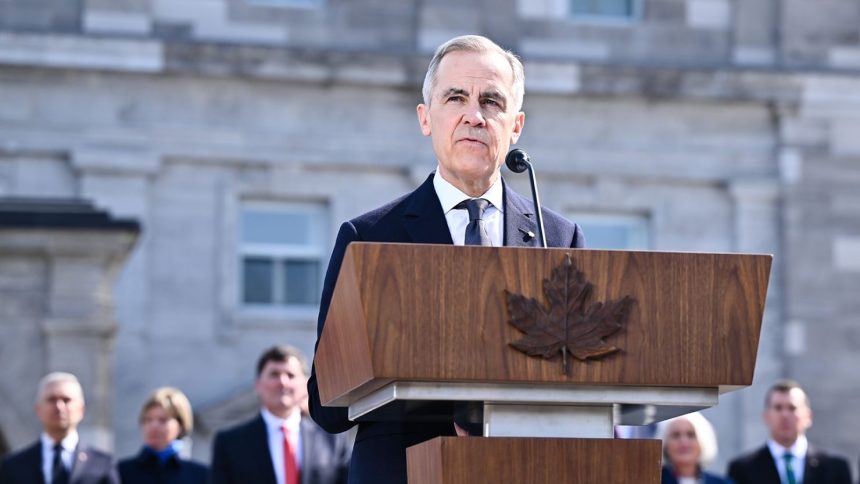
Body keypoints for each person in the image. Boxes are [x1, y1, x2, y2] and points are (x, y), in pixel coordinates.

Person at [306, 34, 586, 484]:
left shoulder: (559, 238)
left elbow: (583, 378)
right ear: (426, 118)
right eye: (456, 97)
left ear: (515, 126)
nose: (473, 115)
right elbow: (327, 402)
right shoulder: (371, 239)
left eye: (491, 101)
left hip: (527, 469)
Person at [210, 345, 350, 484]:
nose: (283, 382)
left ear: (304, 385)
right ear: (257, 385)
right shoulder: (230, 443)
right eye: (274, 374)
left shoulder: (333, 441)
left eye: (291, 375)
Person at [0, 372, 119, 484]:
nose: (59, 407)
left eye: (66, 400)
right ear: (38, 409)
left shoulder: (102, 464)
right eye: (51, 399)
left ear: (81, 409)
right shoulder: (14, 466)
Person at [727, 380, 851, 484]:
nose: (785, 415)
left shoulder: (835, 467)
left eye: (792, 408)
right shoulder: (743, 469)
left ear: (808, 417)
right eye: (778, 408)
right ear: (766, 416)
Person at [118, 387, 208, 484]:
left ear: (180, 425)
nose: (153, 426)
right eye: (148, 420)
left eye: (163, 420)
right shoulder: (122, 472)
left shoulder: (201, 475)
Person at [656, 412, 732, 484]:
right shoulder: (652, 481)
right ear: (665, 443)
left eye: (691, 435)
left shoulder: (722, 483)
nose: (683, 442)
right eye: (676, 435)